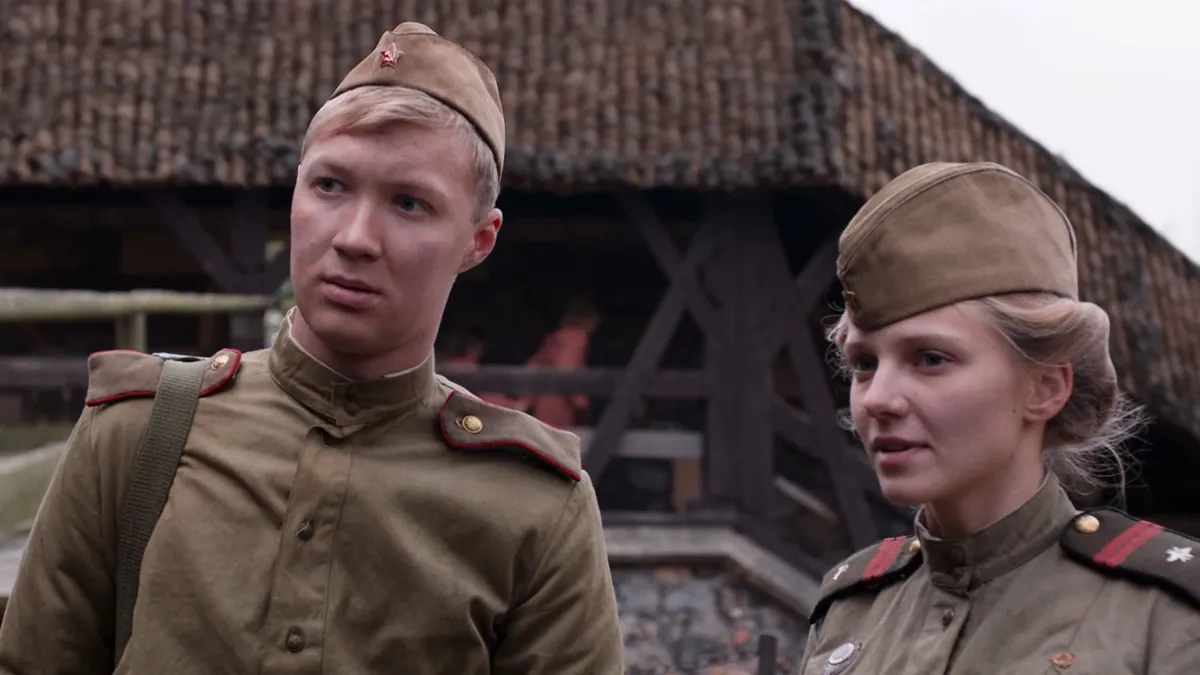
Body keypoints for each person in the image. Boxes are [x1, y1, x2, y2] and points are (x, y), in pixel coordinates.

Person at [0, 22, 624, 675]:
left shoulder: (536, 508)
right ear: (295, 191)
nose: (354, 237)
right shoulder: (137, 432)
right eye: (330, 185)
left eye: (409, 203)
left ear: (478, 240)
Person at [800, 162, 1200, 674]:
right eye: (864, 364)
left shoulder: (1166, 617)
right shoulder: (850, 614)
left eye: (930, 359)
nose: (878, 399)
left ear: (1045, 387)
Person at [523, 296, 601, 428]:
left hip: (544, 399)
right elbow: (565, 369)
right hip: (559, 401)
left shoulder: (558, 337)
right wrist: (580, 400)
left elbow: (532, 365)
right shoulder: (576, 336)